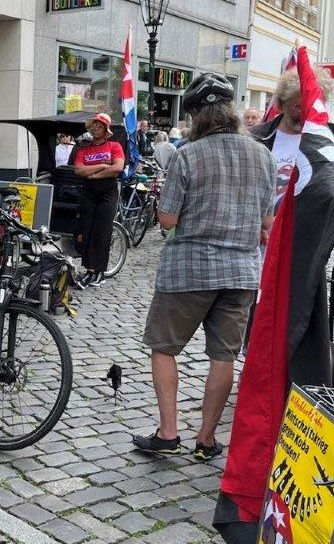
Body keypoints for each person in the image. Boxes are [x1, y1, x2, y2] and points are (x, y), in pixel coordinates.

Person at [133, 73, 275, 460]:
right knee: (223, 356)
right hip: (242, 272)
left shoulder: (187, 155)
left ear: (195, 114)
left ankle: (168, 432)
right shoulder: (262, 154)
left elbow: (166, 219)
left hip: (189, 270)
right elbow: (267, 222)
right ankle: (207, 440)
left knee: (163, 347)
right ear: (231, 109)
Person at [251, 68, 334, 209]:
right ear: (282, 104)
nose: (304, 113)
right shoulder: (258, 137)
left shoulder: (331, 137)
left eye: (311, 106)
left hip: (311, 225)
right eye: (297, 106)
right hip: (268, 227)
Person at [73, 112, 125, 288]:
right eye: (93, 125)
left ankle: (99, 271)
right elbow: (79, 171)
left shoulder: (114, 146)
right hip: (88, 193)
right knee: (87, 230)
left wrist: (93, 175)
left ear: (106, 129)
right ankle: (89, 269)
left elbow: (117, 168)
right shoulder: (83, 149)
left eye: (99, 126)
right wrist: (103, 165)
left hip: (107, 193)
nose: (95, 128)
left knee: (102, 231)